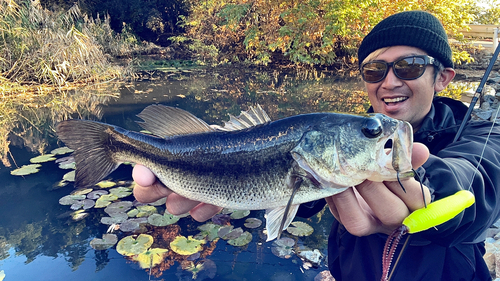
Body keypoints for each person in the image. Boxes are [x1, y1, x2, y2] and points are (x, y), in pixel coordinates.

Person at [133, 11, 500, 280]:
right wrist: (231, 156)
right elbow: (303, 194)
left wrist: (428, 186)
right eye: (374, 70)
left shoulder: (485, 137)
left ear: (444, 78)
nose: (389, 82)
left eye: (409, 66)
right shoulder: (341, 132)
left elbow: (476, 182)